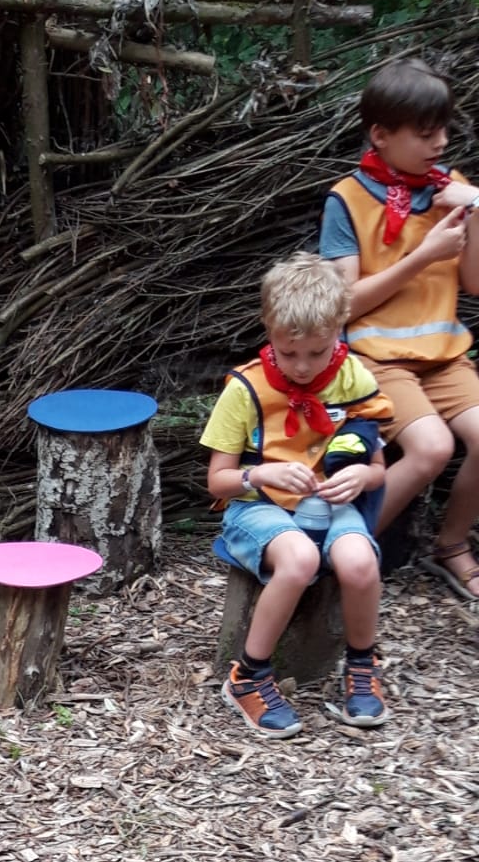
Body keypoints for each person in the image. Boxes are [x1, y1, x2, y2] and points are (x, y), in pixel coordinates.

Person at [203, 253, 393, 738]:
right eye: (289, 354)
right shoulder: (245, 388)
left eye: (318, 352)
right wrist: (262, 475)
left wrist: (362, 480)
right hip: (257, 507)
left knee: (359, 562)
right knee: (300, 559)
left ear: (338, 332)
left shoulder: (354, 378)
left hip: (331, 504)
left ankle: (361, 665)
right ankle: (248, 675)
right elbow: (219, 480)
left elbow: (377, 467)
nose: (304, 367)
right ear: (269, 327)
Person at [320, 57, 479, 600]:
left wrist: (475, 210)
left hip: (446, 357)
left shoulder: (453, 189)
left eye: (443, 131)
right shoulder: (347, 199)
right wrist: (424, 253)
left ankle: (451, 545)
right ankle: (345, 546)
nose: (439, 144)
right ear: (381, 135)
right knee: (432, 448)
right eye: (425, 133)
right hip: (377, 358)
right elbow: (340, 307)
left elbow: (475, 283)